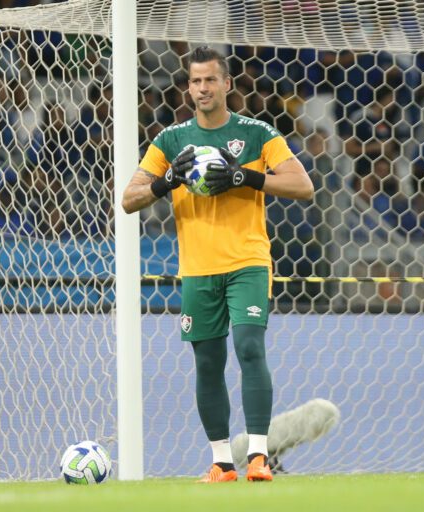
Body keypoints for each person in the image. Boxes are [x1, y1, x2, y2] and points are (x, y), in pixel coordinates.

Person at [121, 45, 313, 483]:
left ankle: (259, 457)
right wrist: (167, 180)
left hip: (248, 260)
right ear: (187, 88)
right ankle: (222, 462)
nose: (203, 88)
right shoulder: (170, 141)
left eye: (211, 80)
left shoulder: (258, 133)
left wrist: (246, 176)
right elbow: (129, 199)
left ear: (227, 84)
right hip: (197, 268)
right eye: (195, 81)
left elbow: (303, 186)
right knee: (207, 362)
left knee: (249, 348)